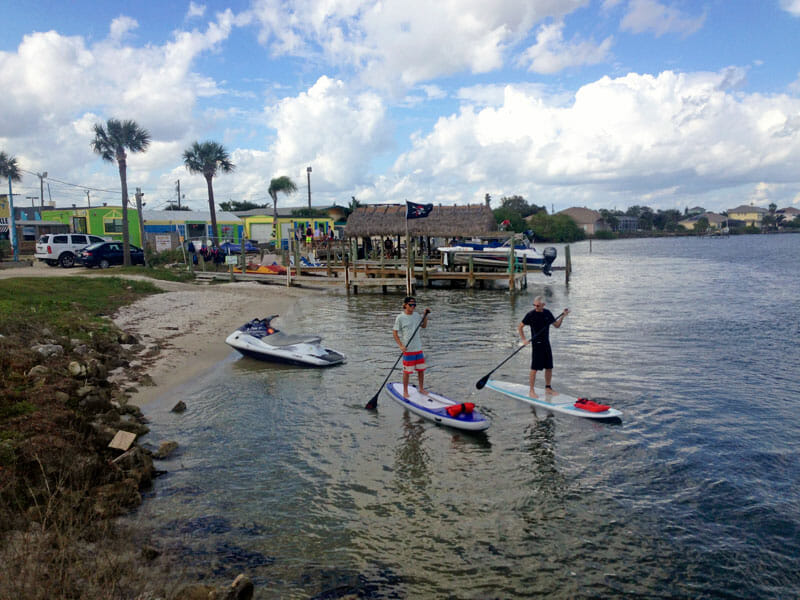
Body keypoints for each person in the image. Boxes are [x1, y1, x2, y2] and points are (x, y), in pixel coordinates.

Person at [517, 296, 568, 398]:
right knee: (534, 368)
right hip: (536, 344)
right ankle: (531, 390)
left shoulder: (547, 313)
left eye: (538, 305)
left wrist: (563, 316)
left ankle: (548, 388)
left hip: (546, 343)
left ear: (543, 305)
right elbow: (520, 326)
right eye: (534, 305)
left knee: (549, 367)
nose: (536, 307)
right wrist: (524, 340)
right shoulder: (531, 315)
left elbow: (557, 325)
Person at [393, 296, 431, 398]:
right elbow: (395, 333)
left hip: (418, 348)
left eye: (414, 305)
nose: (413, 307)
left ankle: (421, 389)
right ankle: (405, 391)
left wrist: (425, 316)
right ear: (405, 305)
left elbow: (423, 326)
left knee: (421, 370)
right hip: (408, 350)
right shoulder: (400, 317)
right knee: (407, 372)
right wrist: (401, 346)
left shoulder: (417, 315)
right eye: (410, 305)